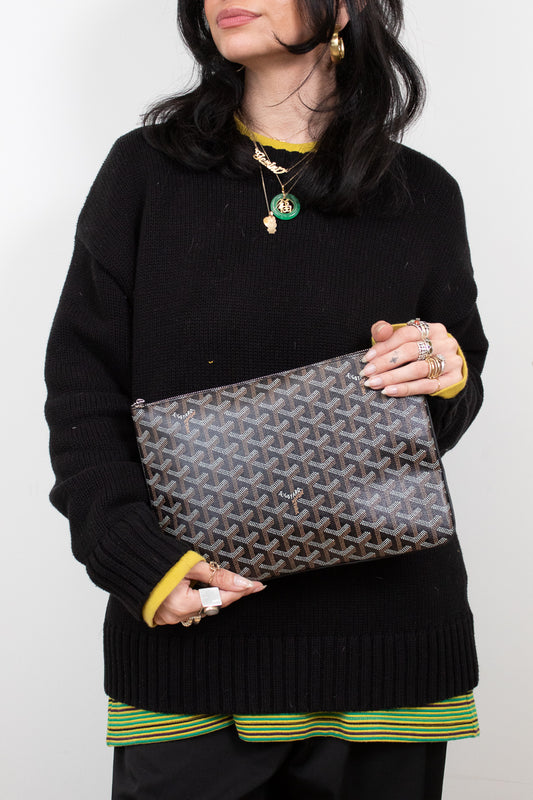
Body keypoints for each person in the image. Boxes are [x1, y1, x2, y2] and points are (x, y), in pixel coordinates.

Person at [45, 1, 488, 798]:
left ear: (344, 8)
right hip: (193, 648)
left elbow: (436, 417)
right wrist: (140, 567)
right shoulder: (144, 172)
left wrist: (444, 371)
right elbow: (82, 396)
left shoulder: (424, 193)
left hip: (388, 651)